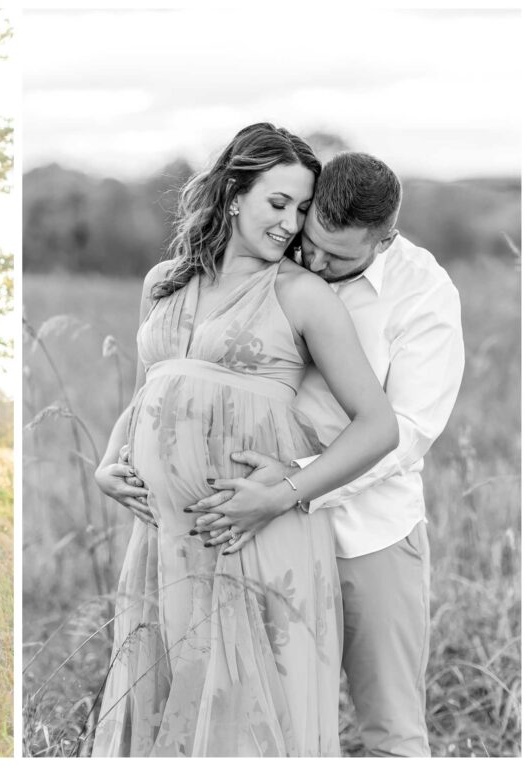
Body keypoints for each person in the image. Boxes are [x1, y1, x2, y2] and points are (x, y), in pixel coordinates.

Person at [90, 123, 399, 757]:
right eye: (277, 204)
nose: (291, 225)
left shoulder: (303, 294)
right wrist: (106, 462)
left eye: (303, 211)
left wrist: (280, 495)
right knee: (170, 693)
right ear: (234, 193)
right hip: (164, 536)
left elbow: (379, 426)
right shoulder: (164, 282)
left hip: (254, 531)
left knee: (249, 712)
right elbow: (153, 390)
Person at [187, 152, 465, 756]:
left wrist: (292, 485)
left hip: (368, 536)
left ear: (385, 238)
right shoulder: (278, 256)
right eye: (311, 240)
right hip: (257, 532)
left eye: (339, 256)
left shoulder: (424, 294)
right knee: (268, 722)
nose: (313, 260)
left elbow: (410, 429)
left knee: (390, 731)